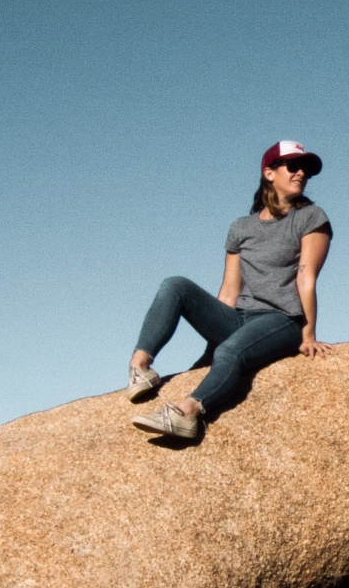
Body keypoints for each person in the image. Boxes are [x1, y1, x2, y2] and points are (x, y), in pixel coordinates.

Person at [127, 139, 333, 444]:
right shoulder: (241, 227)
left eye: (306, 169)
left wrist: (308, 334)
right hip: (238, 318)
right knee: (175, 285)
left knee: (230, 351)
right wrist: (210, 347)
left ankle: (187, 412)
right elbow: (228, 290)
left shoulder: (310, 218)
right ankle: (139, 367)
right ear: (269, 172)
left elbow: (306, 276)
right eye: (293, 166)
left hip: (281, 320)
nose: (301, 173)